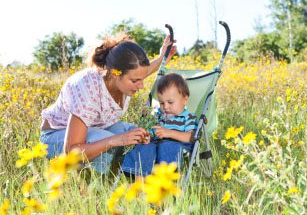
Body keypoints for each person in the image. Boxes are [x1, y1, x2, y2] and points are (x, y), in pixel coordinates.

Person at [39, 32, 176, 174]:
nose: (141, 86)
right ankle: (100, 183)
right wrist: (114, 140)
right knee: (111, 143)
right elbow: (71, 152)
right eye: (135, 81)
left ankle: (128, 176)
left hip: (94, 128)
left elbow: (141, 72)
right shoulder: (88, 89)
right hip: (56, 136)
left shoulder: (121, 77)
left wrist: (162, 57)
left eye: (141, 79)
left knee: (136, 134)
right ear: (115, 74)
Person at [121, 73, 198, 177]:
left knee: (168, 146)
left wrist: (169, 133)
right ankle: (139, 179)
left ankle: (165, 180)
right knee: (143, 146)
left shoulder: (188, 118)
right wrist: (148, 137)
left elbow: (191, 137)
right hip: (156, 145)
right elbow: (152, 133)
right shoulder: (157, 116)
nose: (165, 107)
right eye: (161, 103)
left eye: (170, 102)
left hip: (176, 146)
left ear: (185, 100)